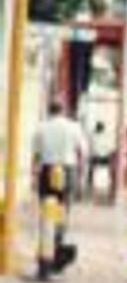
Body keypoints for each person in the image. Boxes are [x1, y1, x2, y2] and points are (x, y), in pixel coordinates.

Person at [29, 104, 89, 273]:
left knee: (47, 214)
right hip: (67, 171)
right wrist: (82, 176)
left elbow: (35, 154)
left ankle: (45, 254)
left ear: (49, 111)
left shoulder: (41, 127)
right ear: (63, 111)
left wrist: (34, 176)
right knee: (62, 213)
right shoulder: (73, 127)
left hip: (47, 171)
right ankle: (56, 252)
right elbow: (84, 152)